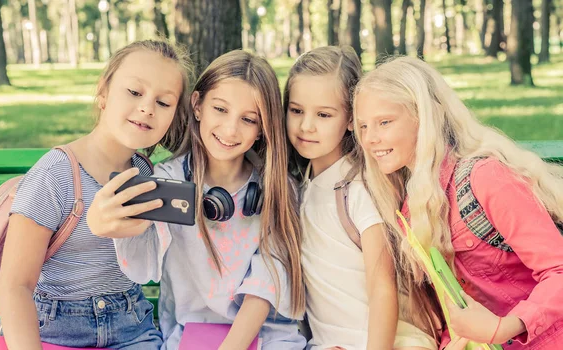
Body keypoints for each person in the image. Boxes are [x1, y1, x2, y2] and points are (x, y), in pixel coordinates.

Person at [90, 50, 307, 350]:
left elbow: (267, 282)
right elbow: (141, 266)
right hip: (189, 334)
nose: (231, 129)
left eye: (248, 119)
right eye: (220, 109)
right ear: (197, 105)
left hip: (267, 336)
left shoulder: (277, 188)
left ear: (262, 130)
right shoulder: (168, 181)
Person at [353, 56, 563, 349]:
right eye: (362, 126)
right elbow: (458, 305)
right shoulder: (410, 206)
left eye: (384, 122)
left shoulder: (485, 178)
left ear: (424, 117)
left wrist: (505, 327)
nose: (370, 139)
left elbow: (559, 270)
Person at [0, 39, 193, 350]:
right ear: (103, 92)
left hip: (131, 330)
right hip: (52, 329)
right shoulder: (55, 175)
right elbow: (15, 286)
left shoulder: (148, 176)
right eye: (134, 92)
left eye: (164, 102)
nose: (147, 107)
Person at [285, 46, 437, 350]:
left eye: (324, 114)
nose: (306, 126)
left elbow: (383, 287)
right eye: (296, 110)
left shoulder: (358, 188)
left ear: (352, 119)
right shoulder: (303, 184)